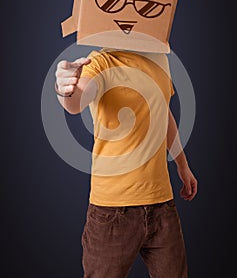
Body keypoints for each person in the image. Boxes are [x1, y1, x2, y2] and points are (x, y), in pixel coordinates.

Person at [55, 48, 198, 278]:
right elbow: (75, 103)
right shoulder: (100, 62)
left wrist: (183, 165)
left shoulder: (159, 57)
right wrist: (64, 88)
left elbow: (163, 111)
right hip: (111, 212)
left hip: (162, 205)